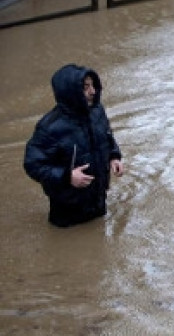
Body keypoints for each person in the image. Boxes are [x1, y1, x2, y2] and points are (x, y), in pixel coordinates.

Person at [24, 64, 124, 227]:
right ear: (70, 93)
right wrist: (67, 177)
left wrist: (114, 156)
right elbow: (33, 164)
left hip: (98, 201)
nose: (93, 91)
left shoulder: (97, 111)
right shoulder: (49, 127)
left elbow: (107, 136)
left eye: (93, 85)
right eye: (86, 88)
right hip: (67, 212)